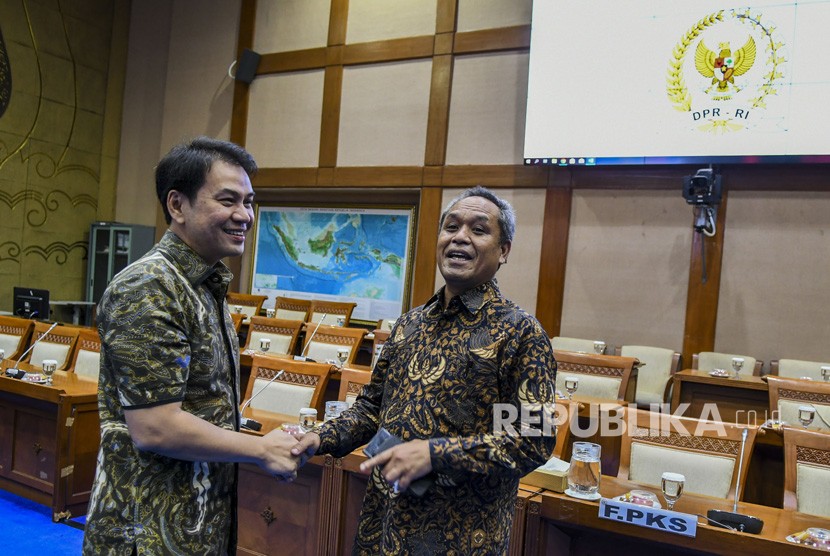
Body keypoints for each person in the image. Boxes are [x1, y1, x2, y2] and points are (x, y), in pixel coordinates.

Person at [293, 186, 557, 554]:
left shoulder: (520, 333)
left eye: (479, 230)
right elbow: (371, 409)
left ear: (504, 250)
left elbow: (533, 439)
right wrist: (318, 438)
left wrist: (435, 454)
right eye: (450, 227)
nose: (459, 237)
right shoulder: (408, 324)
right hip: (381, 528)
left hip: (460, 538)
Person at [83, 137, 301, 555]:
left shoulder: (205, 284)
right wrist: (260, 450)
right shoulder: (148, 286)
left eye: (249, 202)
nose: (244, 216)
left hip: (199, 525)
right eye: (228, 200)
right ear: (177, 205)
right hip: (144, 532)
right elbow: (155, 427)